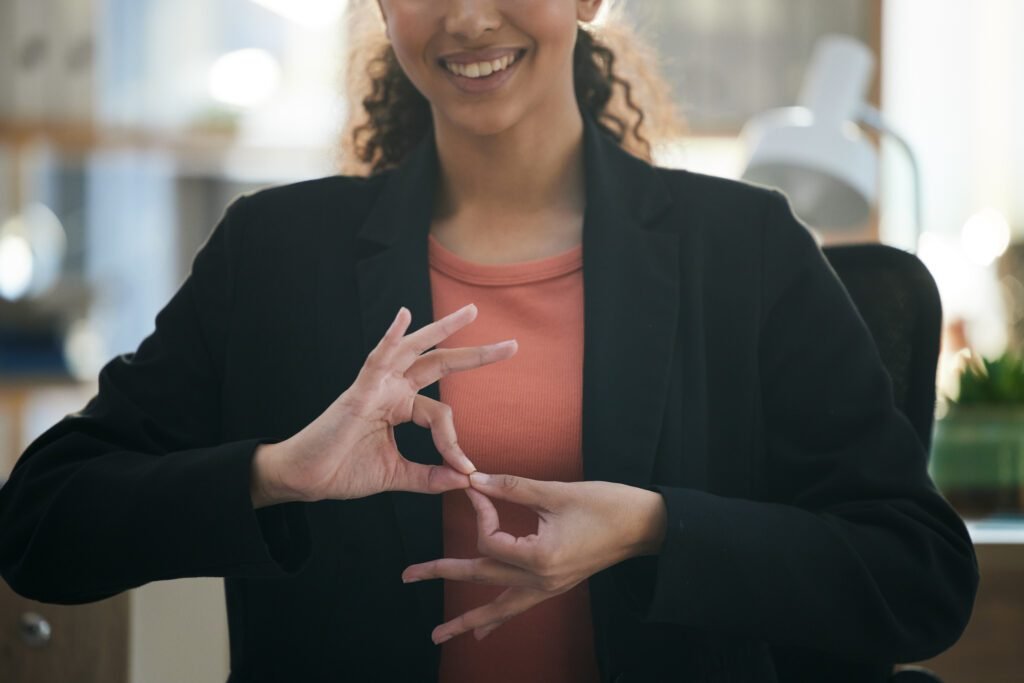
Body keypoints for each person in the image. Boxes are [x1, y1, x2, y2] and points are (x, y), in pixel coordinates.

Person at [0, 1, 978, 681]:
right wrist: (271, 472)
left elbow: (917, 575)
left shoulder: (746, 249)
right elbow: (40, 521)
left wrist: (654, 527)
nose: (467, 17)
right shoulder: (274, 253)